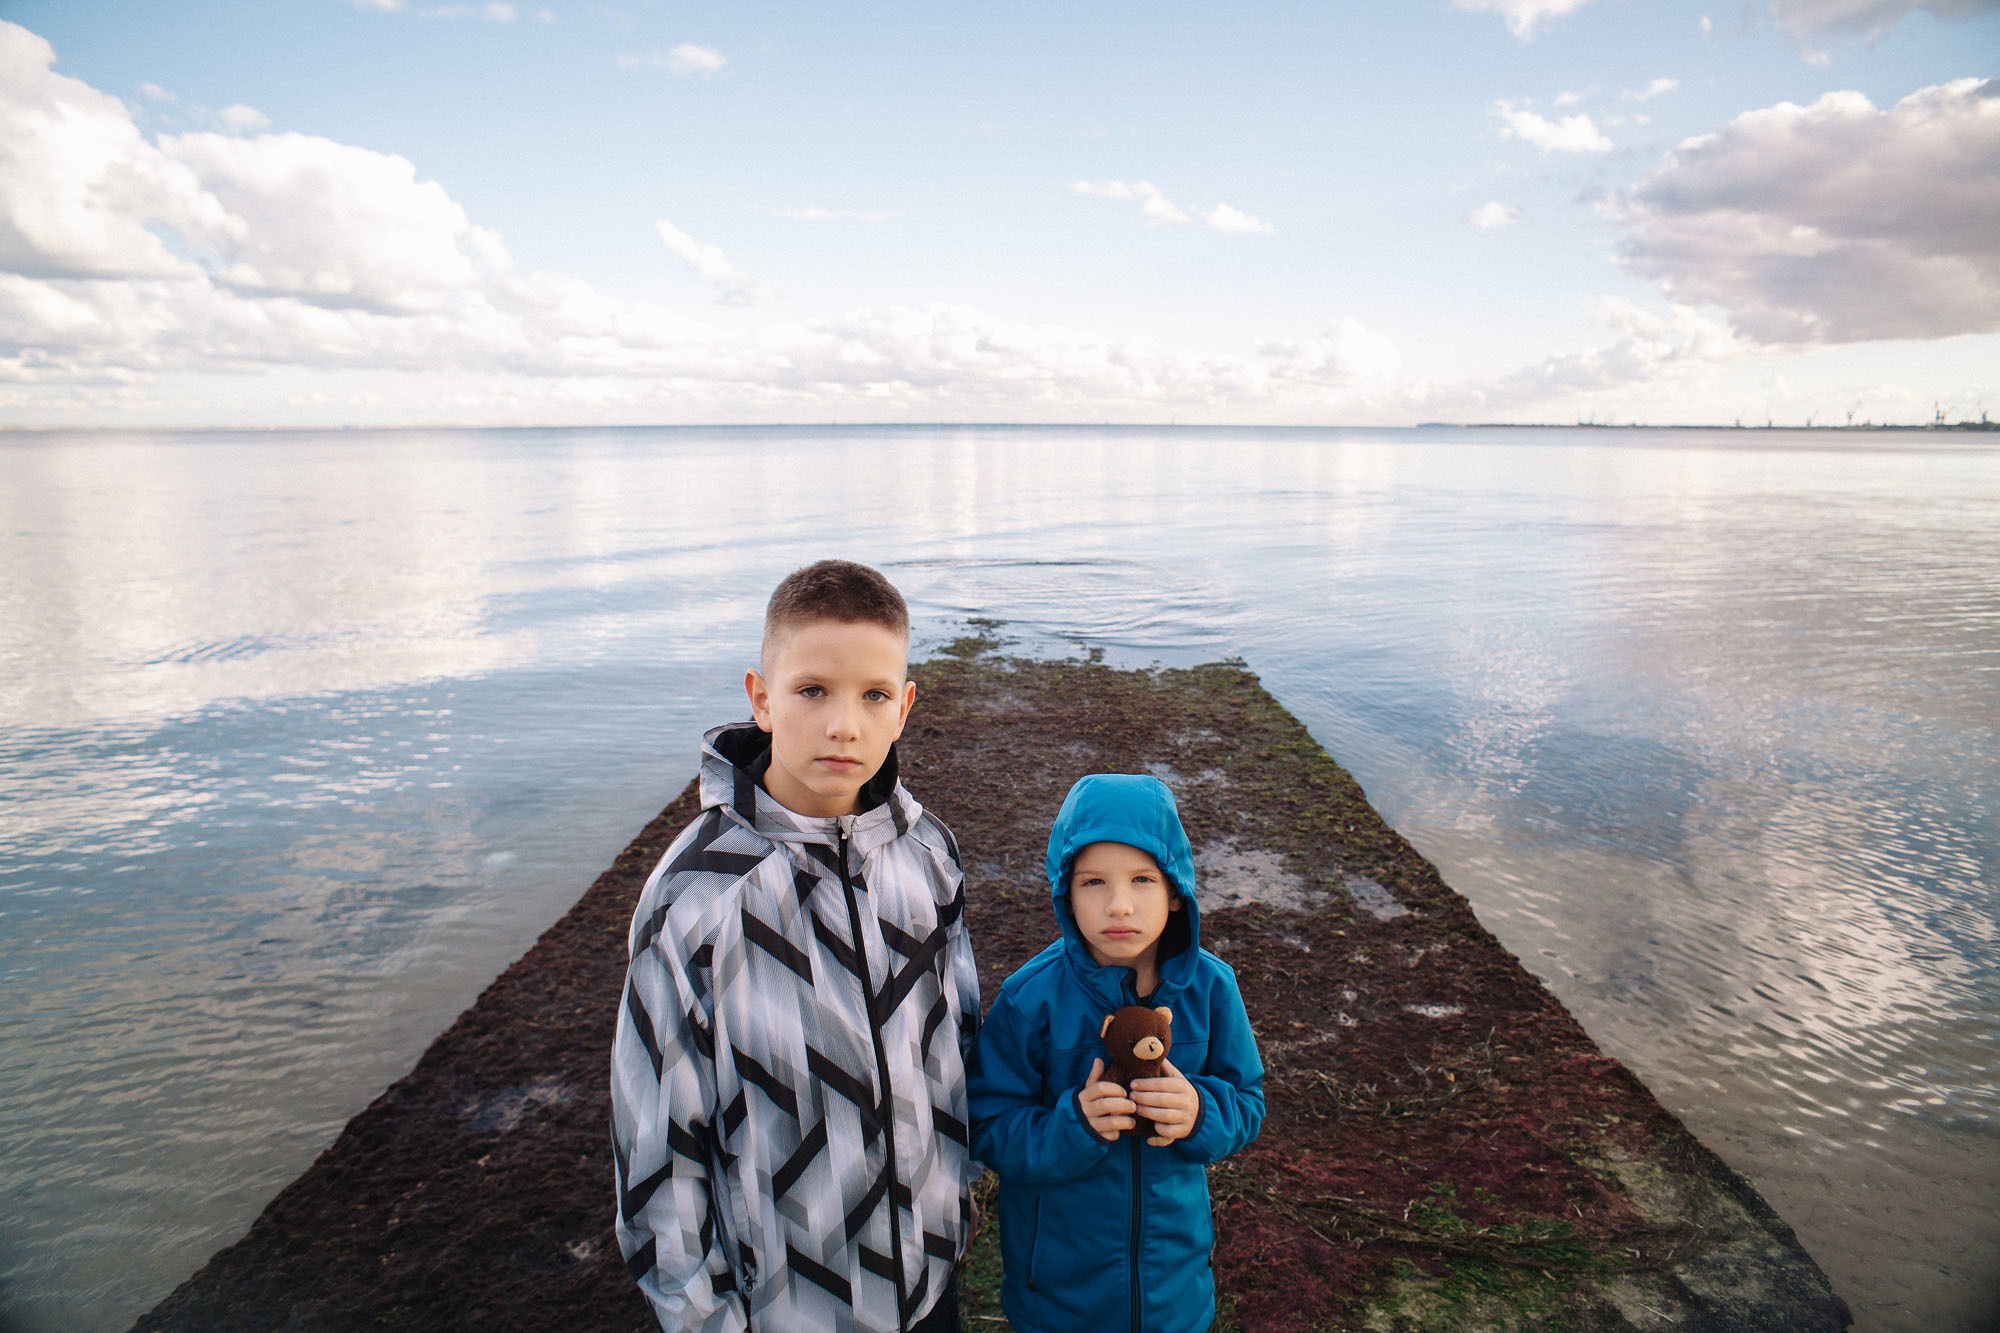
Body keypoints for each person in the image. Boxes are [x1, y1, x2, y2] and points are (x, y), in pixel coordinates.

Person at [611, 560, 978, 1333]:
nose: (844, 723)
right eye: (813, 689)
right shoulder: (695, 894)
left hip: (931, 1278)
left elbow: (956, 1047)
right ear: (761, 697)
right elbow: (656, 1144)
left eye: (874, 694)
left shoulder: (929, 856)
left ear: (905, 707)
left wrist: (956, 1200)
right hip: (789, 1304)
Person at [967, 773, 1265, 1333]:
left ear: (1176, 891)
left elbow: (1247, 1101)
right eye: (1094, 882)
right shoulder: (1031, 1000)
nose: (1119, 905)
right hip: (1057, 1290)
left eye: (1143, 880)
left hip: (1173, 1284)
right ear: (1065, 892)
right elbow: (987, 1124)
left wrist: (1200, 1113)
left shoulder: (1213, 989)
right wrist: (1073, 1126)